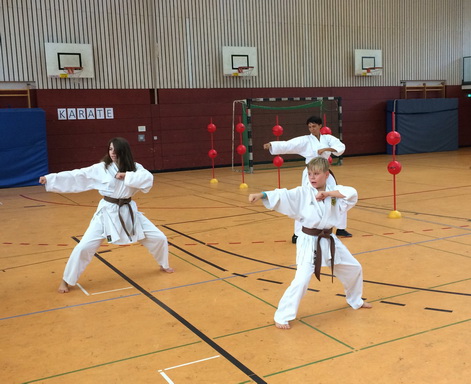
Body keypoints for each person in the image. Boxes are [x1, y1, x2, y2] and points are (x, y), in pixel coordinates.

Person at [248, 157, 371, 329]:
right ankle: (282, 315)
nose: (312, 177)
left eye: (316, 174)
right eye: (310, 174)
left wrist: (327, 194)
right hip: (309, 241)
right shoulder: (303, 193)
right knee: (302, 279)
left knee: (354, 268)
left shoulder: (334, 191)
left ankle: (355, 300)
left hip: (329, 239)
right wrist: (261, 194)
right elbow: (283, 194)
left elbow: (351, 193)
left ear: (326, 174)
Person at [39, 137, 174, 293]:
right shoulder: (102, 168)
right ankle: (66, 280)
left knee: (159, 238)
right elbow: (78, 175)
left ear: (124, 151)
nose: (113, 153)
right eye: (110, 149)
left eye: (116, 150)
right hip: (107, 212)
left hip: (128, 210)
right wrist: (50, 179)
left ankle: (163, 264)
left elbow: (148, 178)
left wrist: (126, 176)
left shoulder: (135, 168)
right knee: (84, 247)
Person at [263, 115, 352, 242]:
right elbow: (289, 145)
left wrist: (326, 149)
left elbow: (340, 147)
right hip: (311, 174)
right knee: (305, 200)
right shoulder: (305, 140)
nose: (312, 129)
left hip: (326, 173)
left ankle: (341, 227)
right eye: (309, 127)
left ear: (320, 126)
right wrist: (272, 145)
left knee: (336, 196)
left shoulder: (328, 138)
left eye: (314, 126)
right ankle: (297, 234)